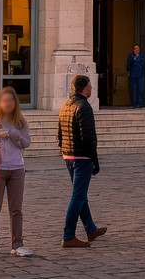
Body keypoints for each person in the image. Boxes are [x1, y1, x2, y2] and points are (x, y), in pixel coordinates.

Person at [57, 75, 104, 248]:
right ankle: (68, 235)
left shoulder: (66, 105)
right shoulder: (84, 106)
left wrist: (64, 151)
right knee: (77, 197)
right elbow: (88, 137)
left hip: (68, 155)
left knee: (80, 194)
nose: (92, 88)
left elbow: (59, 135)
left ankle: (91, 229)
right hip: (82, 157)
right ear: (85, 88)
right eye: (90, 85)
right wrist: (95, 161)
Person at [0, 87, 32, 259]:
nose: (8, 103)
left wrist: (14, 135)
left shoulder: (20, 122)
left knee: (16, 210)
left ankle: (17, 244)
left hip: (17, 168)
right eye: (4, 100)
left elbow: (26, 143)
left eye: (11, 100)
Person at [126, 44, 145, 109]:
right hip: (133, 76)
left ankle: (140, 104)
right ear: (133, 50)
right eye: (135, 49)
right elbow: (128, 65)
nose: (137, 50)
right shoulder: (130, 56)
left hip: (141, 76)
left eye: (138, 49)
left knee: (141, 89)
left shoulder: (143, 56)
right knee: (134, 90)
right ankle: (134, 104)